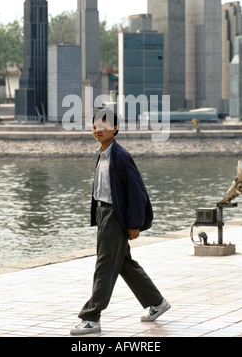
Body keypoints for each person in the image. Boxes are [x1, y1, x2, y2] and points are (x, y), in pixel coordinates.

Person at [70, 109, 170, 335]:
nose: (97, 130)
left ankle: (91, 318)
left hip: (115, 217)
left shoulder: (120, 156)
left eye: (103, 126)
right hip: (104, 215)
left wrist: (134, 224)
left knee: (105, 267)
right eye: (95, 126)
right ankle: (157, 302)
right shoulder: (103, 154)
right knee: (124, 264)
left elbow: (136, 192)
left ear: (115, 129)